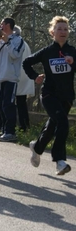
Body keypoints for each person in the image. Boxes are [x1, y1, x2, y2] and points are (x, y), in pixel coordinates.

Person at [23, 16, 76, 176]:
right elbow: (26, 62)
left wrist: (73, 62)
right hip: (49, 95)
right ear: (53, 32)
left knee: (52, 127)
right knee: (62, 123)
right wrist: (35, 76)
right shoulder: (47, 52)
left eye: (65, 29)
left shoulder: (73, 51)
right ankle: (59, 161)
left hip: (66, 97)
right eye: (59, 29)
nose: (63, 32)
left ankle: (37, 147)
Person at [0, 17, 25, 142]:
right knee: (0, 105)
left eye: (2, 24)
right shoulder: (0, 40)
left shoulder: (18, 40)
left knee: (8, 105)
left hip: (11, 78)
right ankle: (5, 130)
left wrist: (7, 41)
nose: (0, 26)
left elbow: (15, 55)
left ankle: (11, 132)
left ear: (8, 25)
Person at [13, 25, 34, 132]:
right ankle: (25, 125)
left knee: (13, 103)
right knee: (22, 103)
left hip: (16, 77)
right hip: (24, 77)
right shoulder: (25, 44)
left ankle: (20, 126)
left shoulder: (15, 44)